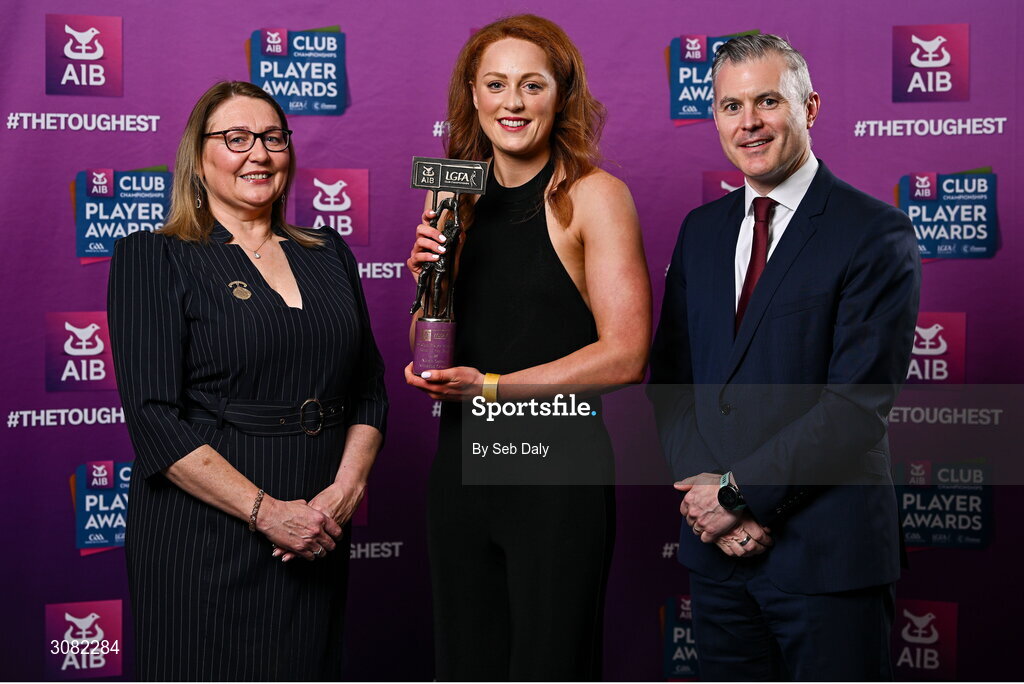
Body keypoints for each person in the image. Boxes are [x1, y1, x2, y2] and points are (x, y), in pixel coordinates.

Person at [648, 34, 920, 680]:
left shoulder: (874, 233)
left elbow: (854, 407)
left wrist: (738, 495)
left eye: (768, 101)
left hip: (828, 560)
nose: (749, 122)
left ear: (809, 107)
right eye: (731, 106)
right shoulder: (700, 232)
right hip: (718, 559)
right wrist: (708, 502)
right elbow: (672, 382)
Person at [108, 80, 387, 681]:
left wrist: (342, 493)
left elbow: (369, 390)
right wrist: (266, 512)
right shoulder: (154, 256)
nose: (258, 153)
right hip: (204, 532)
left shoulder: (329, 253)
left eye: (272, 137)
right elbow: (153, 418)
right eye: (235, 138)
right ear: (198, 157)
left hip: (315, 527)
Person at [404, 15, 651, 680]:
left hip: (555, 474)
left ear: (560, 95)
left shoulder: (594, 196)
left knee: (550, 665)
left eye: (531, 85)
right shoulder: (453, 191)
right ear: (473, 95)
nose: (512, 102)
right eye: (496, 84)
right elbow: (428, 356)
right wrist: (431, 280)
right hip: (461, 468)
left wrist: (490, 389)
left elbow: (627, 354)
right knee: (465, 664)